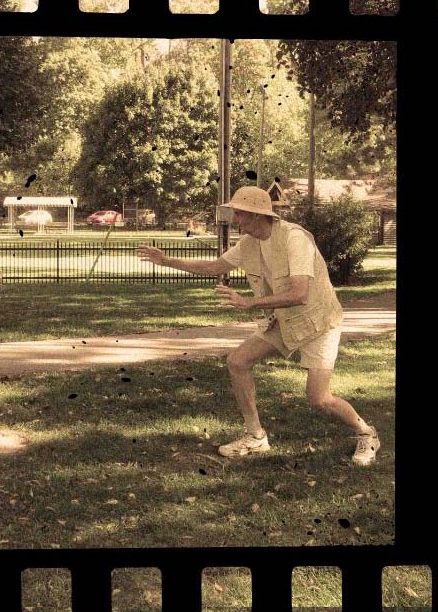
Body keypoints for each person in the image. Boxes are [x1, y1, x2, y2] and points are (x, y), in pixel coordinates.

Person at [136, 186, 380, 466]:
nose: (235, 219)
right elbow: (214, 267)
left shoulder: (295, 239)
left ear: (256, 215)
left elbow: (299, 294)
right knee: (237, 361)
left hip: (319, 322)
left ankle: (367, 433)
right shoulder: (249, 243)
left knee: (319, 399)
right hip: (284, 320)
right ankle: (255, 436)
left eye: (239, 214)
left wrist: (250, 303)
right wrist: (166, 260)